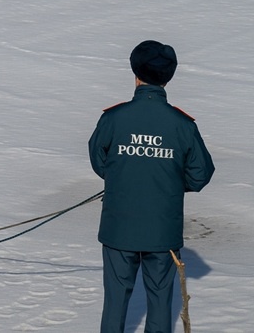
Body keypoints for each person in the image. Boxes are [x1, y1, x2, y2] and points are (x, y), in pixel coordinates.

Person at [88, 40, 215, 333]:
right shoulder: (182, 125)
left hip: (119, 227)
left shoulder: (113, 118)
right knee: (160, 302)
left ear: (135, 73)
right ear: (168, 77)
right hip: (162, 231)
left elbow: (98, 160)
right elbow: (200, 174)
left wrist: (127, 176)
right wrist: (167, 182)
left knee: (115, 302)